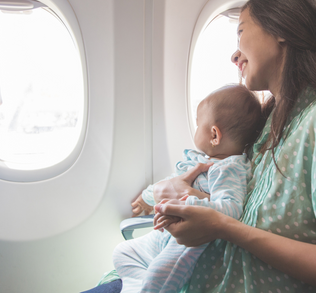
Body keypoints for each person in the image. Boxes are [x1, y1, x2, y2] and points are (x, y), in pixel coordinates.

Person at [150, 0, 316, 292]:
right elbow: (243, 207)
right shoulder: (269, 125)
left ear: (280, 30)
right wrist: (189, 197)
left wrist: (222, 227)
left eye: (241, 32)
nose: (234, 55)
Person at [112, 84, 266, 293]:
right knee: (123, 252)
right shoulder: (201, 159)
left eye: (197, 124)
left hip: (188, 243)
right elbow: (174, 181)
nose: (195, 129)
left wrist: (189, 202)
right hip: (163, 237)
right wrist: (148, 198)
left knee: (155, 282)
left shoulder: (230, 168)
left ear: (214, 135)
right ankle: (134, 285)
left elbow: (231, 208)